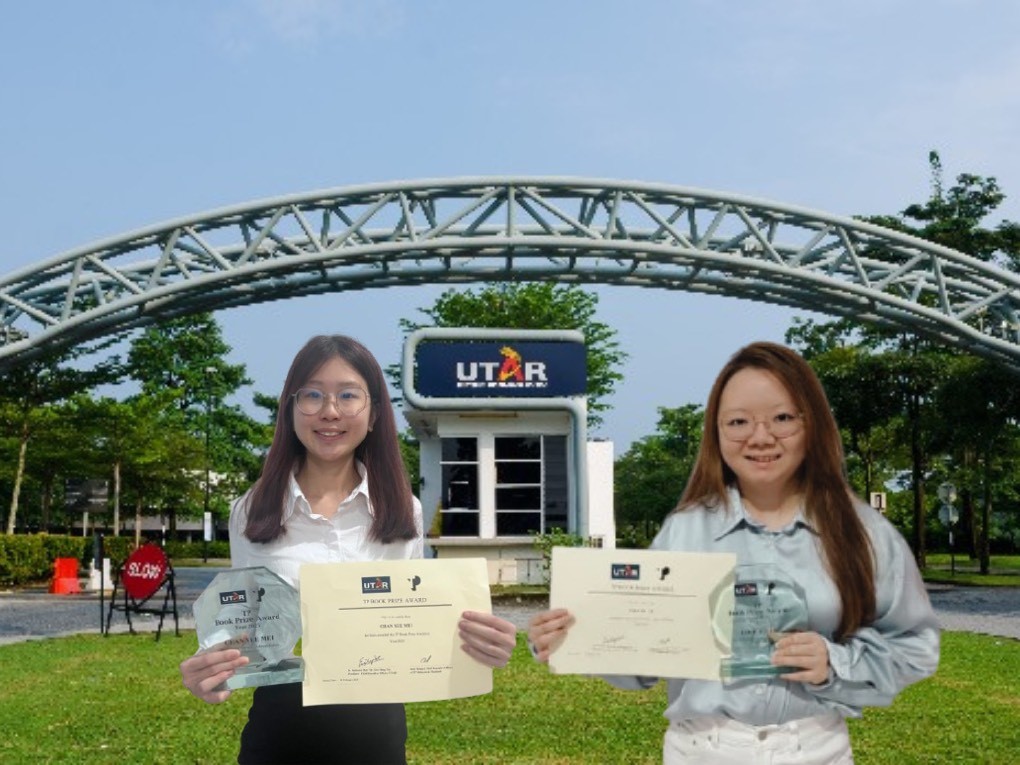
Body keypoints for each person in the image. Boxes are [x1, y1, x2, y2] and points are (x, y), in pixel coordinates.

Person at [528, 341, 939, 764]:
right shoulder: (684, 529)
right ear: (717, 432)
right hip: (702, 751)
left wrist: (834, 663)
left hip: (815, 751)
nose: (760, 438)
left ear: (812, 423)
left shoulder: (864, 532)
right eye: (738, 422)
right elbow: (642, 660)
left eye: (781, 418)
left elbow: (917, 646)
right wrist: (572, 636)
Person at [180, 335, 517, 765]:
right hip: (279, 731)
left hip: (376, 734)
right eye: (313, 395)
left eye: (348, 395)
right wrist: (212, 668)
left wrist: (478, 643)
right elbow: (246, 630)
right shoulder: (250, 511)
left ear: (374, 413)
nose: (330, 411)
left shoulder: (404, 511)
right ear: (290, 408)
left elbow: (413, 623)